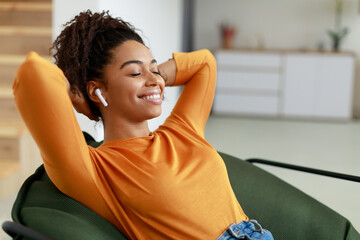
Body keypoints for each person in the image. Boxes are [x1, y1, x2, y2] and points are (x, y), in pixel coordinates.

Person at [14, 10, 273, 240]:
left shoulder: (182, 130)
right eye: (135, 73)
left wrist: (153, 76)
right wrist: (80, 96)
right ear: (97, 91)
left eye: (154, 70)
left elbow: (205, 63)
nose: (155, 81)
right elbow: (34, 74)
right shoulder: (95, 170)